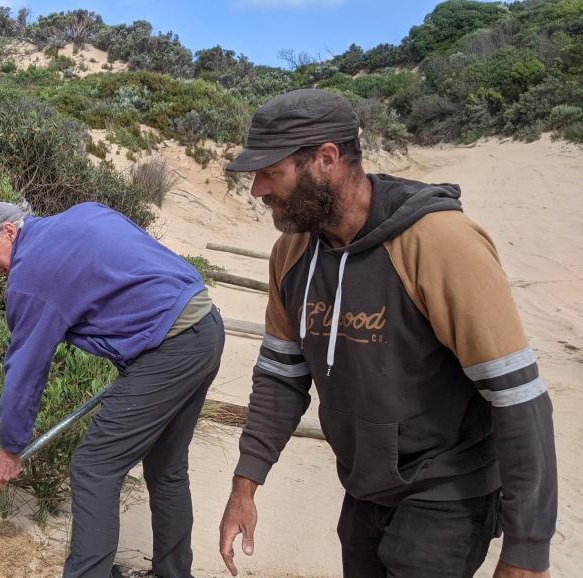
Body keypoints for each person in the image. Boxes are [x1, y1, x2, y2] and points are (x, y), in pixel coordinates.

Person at [217, 89, 557, 578]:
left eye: (271, 172)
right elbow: (280, 377)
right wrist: (244, 487)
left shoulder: (439, 242)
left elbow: (518, 395)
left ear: (326, 159)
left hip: (449, 488)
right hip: (364, 487)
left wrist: (527, 550)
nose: (258, 190)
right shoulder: (292, 254)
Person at [0, 200, 226, 578]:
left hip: (170, 345)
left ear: (9, 231)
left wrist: (10, 447)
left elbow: (25, 370)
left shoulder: (33, 272)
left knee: (94, 467)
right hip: (204, 325)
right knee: (166, 466)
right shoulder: (79, 216)